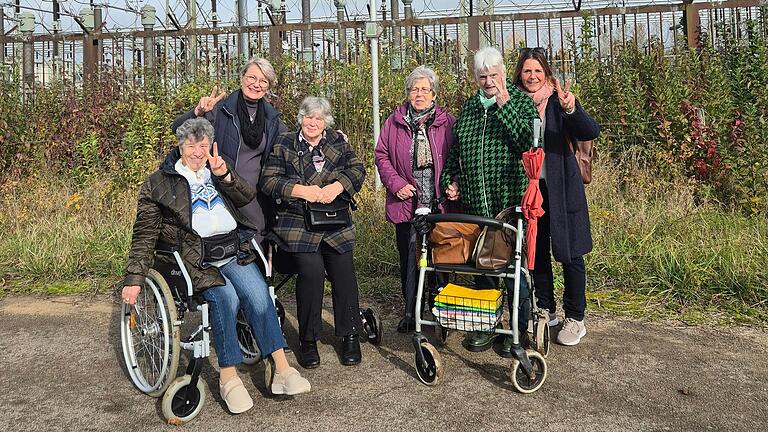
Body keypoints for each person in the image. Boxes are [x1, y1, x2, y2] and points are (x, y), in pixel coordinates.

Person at [122, 118, 310, 415]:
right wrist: (134, 278)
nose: (198, 152)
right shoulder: (158, 183)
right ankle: (228, 377)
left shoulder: (216, 169)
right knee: (226, 298)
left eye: (203, 146)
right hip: (196, 259)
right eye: (191, 146)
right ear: (180, 146)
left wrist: (225, 175)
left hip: (233, 249)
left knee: (260, 294)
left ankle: (283, 369)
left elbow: (246, 196)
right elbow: (145, 233)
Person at [439, 46, 539, 356]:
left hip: (508, 202)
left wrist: (504, 103)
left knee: (513, 269)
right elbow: (454, 152)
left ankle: (517, 331)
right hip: (474, 205)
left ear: (504, 73)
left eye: (493, 75)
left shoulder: (521, 103)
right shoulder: (469, 108)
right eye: (482, 76)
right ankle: (486, 325)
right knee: (482, 266)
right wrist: (450, 181)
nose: (488, 81)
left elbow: (528, 144)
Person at [260, 96, 366, 369]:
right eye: (309, 117)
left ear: (326, 122)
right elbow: (268, 180)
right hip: (296, 222)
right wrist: (301, 190)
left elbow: (357, 169)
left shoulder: (337, 142)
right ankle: (308, 339)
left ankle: (350, 334)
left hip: (333, 221)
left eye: (319, 119)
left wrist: (338, 186)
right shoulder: (284, 143)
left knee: (343, 268)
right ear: (301, 118)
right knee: (311, 270)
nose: (313, 123)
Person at [513, 47, 600, 346]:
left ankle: (575, 318)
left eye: (538, 70)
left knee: (570, 253)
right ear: (520, 75)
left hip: (563, 189)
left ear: (547, 74)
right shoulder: (514, 103)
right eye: (527, 71)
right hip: (532, 191)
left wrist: (571, 107)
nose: (532, 76)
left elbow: (590, 130)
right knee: (537, 252)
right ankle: (545, 310)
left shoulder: (557, 101)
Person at [374, 66, 455, 334]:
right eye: (414, 89)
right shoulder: (394, 121)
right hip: (406, 202)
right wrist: (396, 184)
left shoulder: (447, 122)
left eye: (424, 90)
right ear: (408, 93)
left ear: (434, 94)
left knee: (440, 256)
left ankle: (441, 308)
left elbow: (456, 158)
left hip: (438, 202)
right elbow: (381, 155)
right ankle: (411, 310)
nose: (418, 94)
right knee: (408, 256)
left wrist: (454, 183)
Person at [172, 57, 287, 243]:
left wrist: (329, 136)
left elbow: (292, 140)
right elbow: (178, 130)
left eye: (263, 81)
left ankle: (258, 269)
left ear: (268, 86)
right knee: (225, 236)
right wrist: (198, 113)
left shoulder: (271, 118)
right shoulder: (221, 109)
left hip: (254, 190)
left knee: (257, 234)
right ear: (241, 77)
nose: (256, 84)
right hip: (222, 184)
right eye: (252, 78)